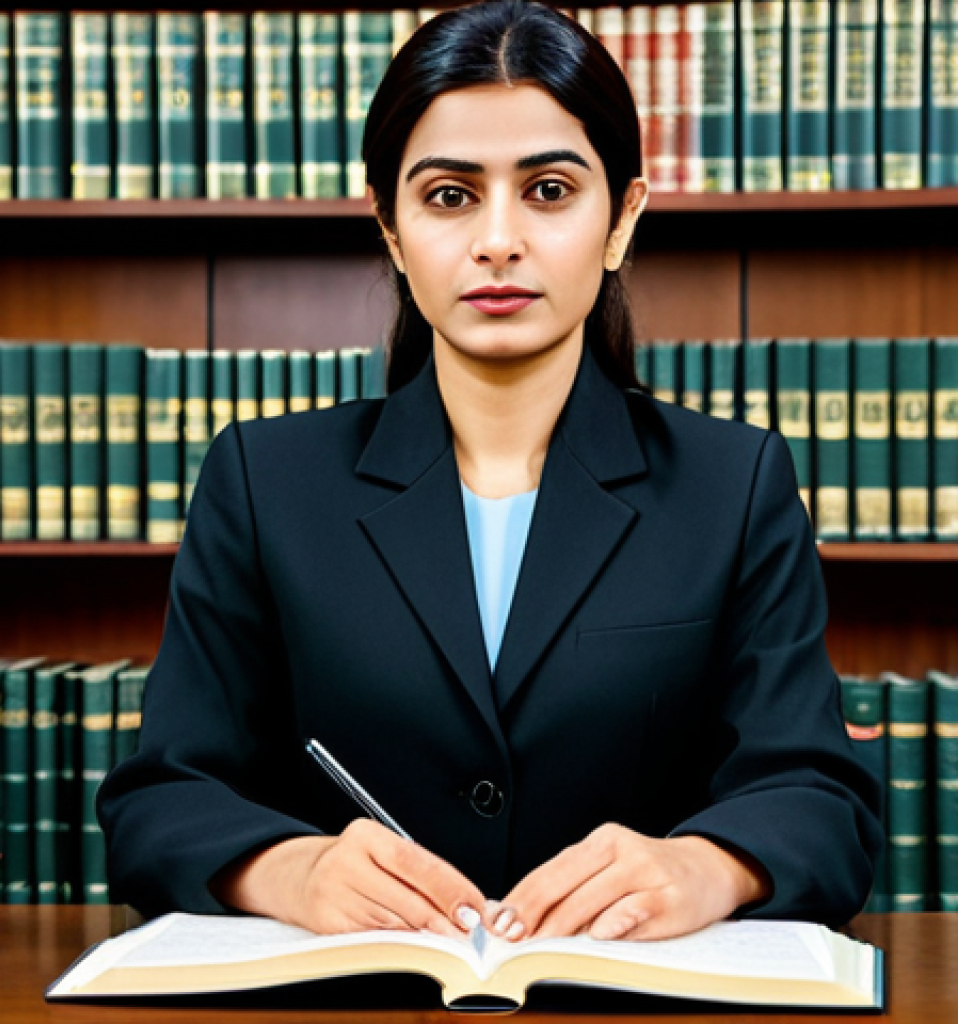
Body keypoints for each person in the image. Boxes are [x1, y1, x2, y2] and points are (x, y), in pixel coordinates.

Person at [98, 0, 883, 946]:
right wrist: (291, 868)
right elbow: (157, 801)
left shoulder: (735, 483)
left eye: (549, 191)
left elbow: (823, 802)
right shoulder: (264, 481)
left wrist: (704, 866)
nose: (498, 241)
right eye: (449, 195)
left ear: (622, 218)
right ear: (391, 229)